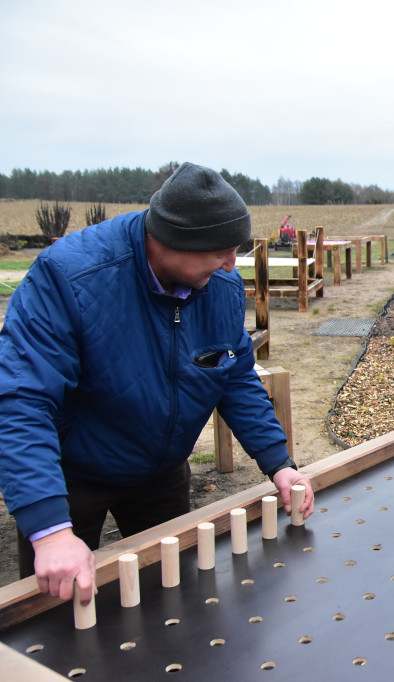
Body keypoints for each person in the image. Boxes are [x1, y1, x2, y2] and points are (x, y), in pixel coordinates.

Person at [0, 162, 314, 605]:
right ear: (170, 242)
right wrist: (49, 531)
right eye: (220, 250)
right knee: (62, 609)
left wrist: (280, 464)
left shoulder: (219, 284)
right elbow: (21, 400)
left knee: (171, 599)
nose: (232, 263)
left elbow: (234, 375)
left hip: (160, 472)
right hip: (71, 477)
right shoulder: (69, 278)